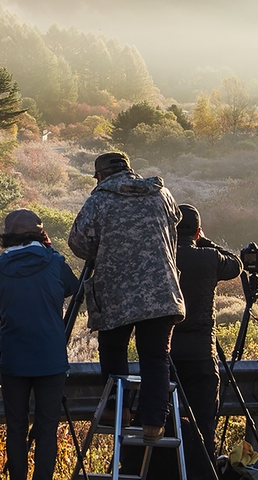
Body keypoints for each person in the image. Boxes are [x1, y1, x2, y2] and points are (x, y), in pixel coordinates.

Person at [68, 151, 185, 444]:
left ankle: (116, 410)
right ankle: (154, 423)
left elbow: (79, 243)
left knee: (113, 349)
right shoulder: (163, 195)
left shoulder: (100, 199)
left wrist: (106, 249)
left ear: (101, 175)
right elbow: (175, 225)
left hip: (116, 293)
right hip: (161, 293)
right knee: (156, 356)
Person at [0, 209, 79, 480]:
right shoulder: (54, 262)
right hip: (50, 356)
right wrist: (51, 251)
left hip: (14, 356)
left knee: (15, 427)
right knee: (46, 428)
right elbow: (72, 288)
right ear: (40, 234)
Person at [171, 204, 242, 480]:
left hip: (165, 352)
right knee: (203, 423)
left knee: (159, 419)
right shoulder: (208, 257)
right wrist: (206, 242)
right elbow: (236, 264)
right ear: (197, 232)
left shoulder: (161, 256)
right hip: (201, 351)